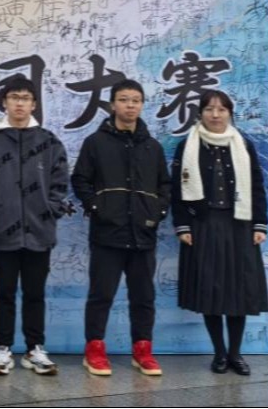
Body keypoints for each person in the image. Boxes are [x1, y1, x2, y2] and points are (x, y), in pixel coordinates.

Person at [71, 79, 170, 377]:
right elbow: (80, 180)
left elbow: (165, 185)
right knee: (101, 295)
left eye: (136, 100)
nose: (130, 105)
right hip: (107, 233)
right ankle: (94, 349)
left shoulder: (152, 147)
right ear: (113, 104)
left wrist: (157, 212)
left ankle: (143, 350)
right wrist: (97, 208)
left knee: (144, 297)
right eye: (124, 100)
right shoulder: (96, 143)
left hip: (143, 234)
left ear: (142, 105)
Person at [0, 78, 68, 376]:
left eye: (25, 98)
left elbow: (60, 183)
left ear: (34, 104)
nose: (20, 103)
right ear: (4, 102)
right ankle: (3, 349)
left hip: (39, 232)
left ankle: (35, 349)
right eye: (14, 97)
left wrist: (50, 212)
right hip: (3, 234)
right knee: (4, 294)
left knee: (35, 293)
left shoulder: (49, 142)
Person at [171, 90, 268, 376]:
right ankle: (219, 354)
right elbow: (177, 190)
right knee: (210, 289)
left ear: (230, 113)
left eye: (222, 109)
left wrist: (259, 224)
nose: (215, 115)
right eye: (209, 109)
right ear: (200, 113)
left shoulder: (243, 144)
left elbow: (256, 186)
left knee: (238, 291)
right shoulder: (187, 146)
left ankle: (236, 354)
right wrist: (183, 225)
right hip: (203, 225)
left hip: (239, 224)